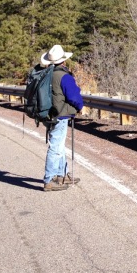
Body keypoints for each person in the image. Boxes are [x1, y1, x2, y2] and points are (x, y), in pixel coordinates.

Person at [40, 44, 83, 192]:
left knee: (58, 145)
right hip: (60, 115)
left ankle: (61, 174)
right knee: (56, 147)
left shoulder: (47, 73)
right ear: (63, 60)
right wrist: (80, 107)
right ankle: (49, 179)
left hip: (49, 114)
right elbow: (74, 96)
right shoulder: (64, 76)